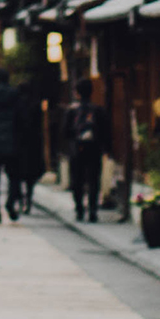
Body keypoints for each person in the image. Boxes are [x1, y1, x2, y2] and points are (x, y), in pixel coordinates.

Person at [0, 74, 42, 220]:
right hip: (13, 145)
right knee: (14, 177)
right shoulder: (16, 98)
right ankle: (10, 203)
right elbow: (24, 121)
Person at [63, 87, 110, 223]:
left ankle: (79, 210)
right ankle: (93, 211)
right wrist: (105, 148)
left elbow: (65, 131)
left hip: (77, 149)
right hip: (94, 149)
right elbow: (105, 131)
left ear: (76, 93)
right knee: (93, 180)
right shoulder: (98, 110)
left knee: (77, 180)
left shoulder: (72, 110)